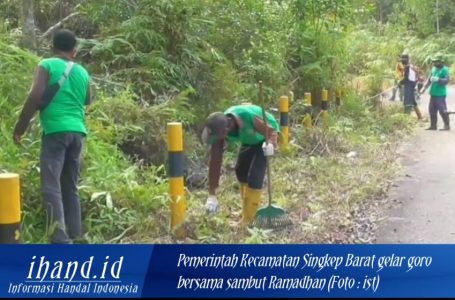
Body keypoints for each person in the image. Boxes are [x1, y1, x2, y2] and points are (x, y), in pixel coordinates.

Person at [13, 29, 92, 244]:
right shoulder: (83, 72)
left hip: (55, 132)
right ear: (74, 51)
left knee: (50, 185)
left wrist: (20, 127)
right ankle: (76, 234)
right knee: (70, 185)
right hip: (77, 133)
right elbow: (88, 100)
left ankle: (59, 239)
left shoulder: (46, 65)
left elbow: (35, 96)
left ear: (52, 46)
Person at [201, 104, 279, 226]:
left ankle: (248, 219)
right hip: (249, 140)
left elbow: (271, 132)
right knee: (241, 172)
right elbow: (215, 162)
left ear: (227, 130)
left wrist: (271, 145)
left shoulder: (248, 117)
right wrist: (212, 194)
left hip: (264, 137)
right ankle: (245, 210)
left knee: (255, 176)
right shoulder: (220, 129)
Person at [419, 54, 450, 131]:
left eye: (436, 61)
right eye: (434, 61)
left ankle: (446, 125)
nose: (434, 63)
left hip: (440, 94)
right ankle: (433, 125)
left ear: (441, 61)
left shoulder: (445, 70)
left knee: (442, 110)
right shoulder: (433, 69)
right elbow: (429, 79)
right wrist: (424, 88)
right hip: (433, 93)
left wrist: (438, 79)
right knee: (432, 110)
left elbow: (446, 81)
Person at [400, 54, 423, 120]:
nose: (402, 61)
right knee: (412, 101)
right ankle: (419, 116)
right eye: (402, 59)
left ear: (407, 60)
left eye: (404, 59)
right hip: (411, 84)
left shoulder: (407, 67)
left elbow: (406, 78)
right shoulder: (410, 66)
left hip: (409, 85)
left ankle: (405, 119)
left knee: (408, 102)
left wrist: (400, 82)